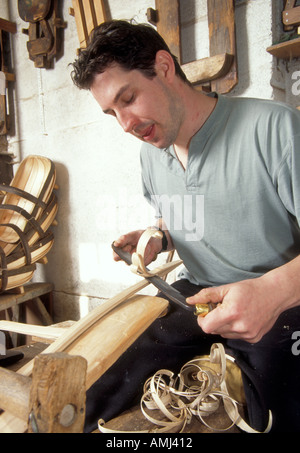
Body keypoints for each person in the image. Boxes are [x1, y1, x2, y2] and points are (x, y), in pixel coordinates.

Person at [71, 19, 300, 433]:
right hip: (197, 295)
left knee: (270, 410)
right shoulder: (151, 154)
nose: (125, 124)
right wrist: (158, 234)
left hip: (284, 299)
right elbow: (193, 209)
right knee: (107, 378)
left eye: (129, 98)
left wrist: (273, 291)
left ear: (163, 67)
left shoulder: (275, 128)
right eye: (112, 113)